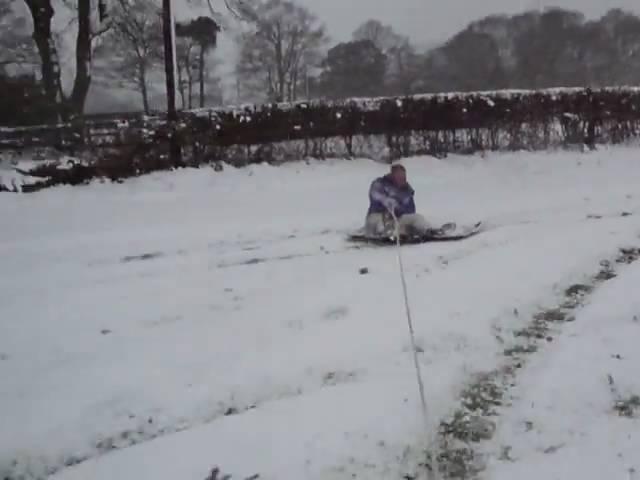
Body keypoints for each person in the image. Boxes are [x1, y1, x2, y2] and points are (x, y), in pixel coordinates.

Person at [364, 164, 431, 237]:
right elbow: (375, 197)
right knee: (378, 221)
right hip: (379, 216)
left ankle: (426, 231)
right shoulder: (380, 183)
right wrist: (386, 202)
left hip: (397, 219)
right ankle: (381, 233)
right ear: (392, 176)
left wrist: (398, 208)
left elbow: (410, 210)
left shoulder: (406, 190)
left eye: (403, 176)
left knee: (418, 218)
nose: (402, 178)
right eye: (399, 176)